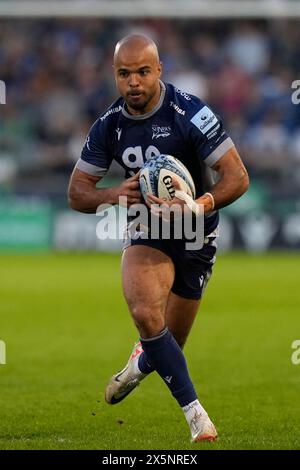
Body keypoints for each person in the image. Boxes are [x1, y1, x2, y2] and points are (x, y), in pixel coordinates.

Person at [68, 34, 249, 442]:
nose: (134, 82)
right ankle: (197, 417)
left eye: (143, 72)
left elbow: (238, 178)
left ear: (159, 70)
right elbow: (77, 192)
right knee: (147, 315)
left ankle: (140, 363)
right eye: (124, 73)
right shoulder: (108, 126)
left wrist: (199, 205)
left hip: (196, 231)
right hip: (147, 230)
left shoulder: (191, 112)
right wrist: (114, 194)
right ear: (115, 75)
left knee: (168, 344)